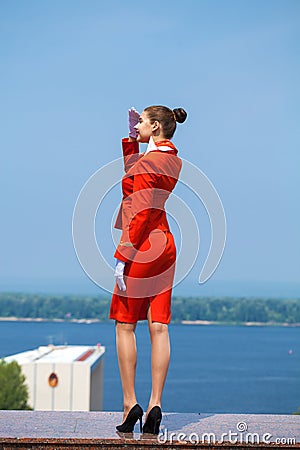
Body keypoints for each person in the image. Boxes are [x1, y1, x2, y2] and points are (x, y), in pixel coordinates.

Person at [110, 105, 187, 434]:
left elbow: (138, 208)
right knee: (159, 327)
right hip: (166, 246)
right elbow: (136, 178)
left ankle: (131, 404)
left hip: (142, 246)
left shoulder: (150, 163)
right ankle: (155, 404)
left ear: (155, 126)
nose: (137, 125)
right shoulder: (171, 159)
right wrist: (133, 140)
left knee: (125, 325)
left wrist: (122, 255)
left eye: (142, 122)